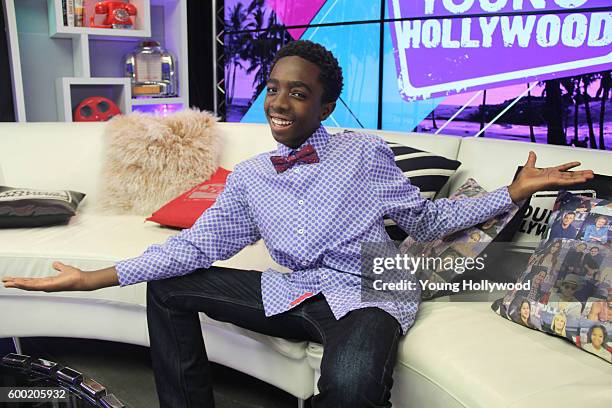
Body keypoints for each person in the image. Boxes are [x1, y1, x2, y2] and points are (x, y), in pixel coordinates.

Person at [1, 40, 596, 408]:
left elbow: (428, 218)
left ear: (325, 105)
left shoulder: (363, 154)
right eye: (273, 89)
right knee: (171, 287)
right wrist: (91, 278)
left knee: (354, 392)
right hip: (289, 291)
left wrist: (512, 190)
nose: (280, 104)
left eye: (299, 94)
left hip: (369, 294)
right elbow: (198, 247)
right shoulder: (253, 175)